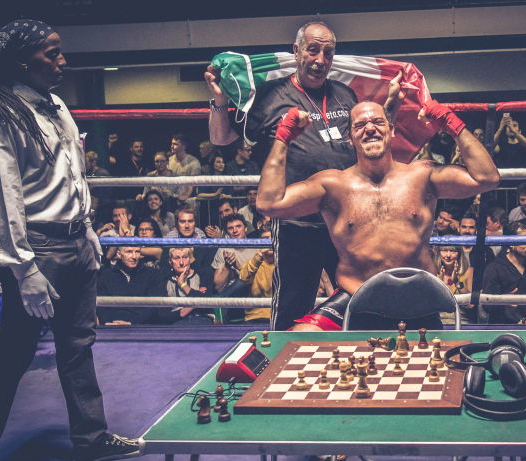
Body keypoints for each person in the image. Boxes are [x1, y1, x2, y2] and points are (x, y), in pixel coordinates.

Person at [0, 19, 138, 460]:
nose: (62, 61)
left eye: (60, 51)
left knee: (79, 345)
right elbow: (3, 200)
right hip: (38, 249)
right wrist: (24, 270)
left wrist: (88, 229)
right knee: (13, 355)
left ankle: (91, 439)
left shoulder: (57, 104)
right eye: (51, 53)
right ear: (22, 61)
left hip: (76, 239)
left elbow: (72, 175)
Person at [205, 20, 402, 331]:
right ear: (296, 52)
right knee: (293, 305)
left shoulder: (344, 93)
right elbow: (222, 138)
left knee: (360, 296)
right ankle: (282, 370)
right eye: (313, 50)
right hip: (297, 222)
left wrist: (389, 112)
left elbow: (365, 139)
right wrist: (218, 98)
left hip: (347, 219)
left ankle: (360, 363)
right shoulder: (270, 96)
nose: (320, 60)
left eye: (328, 53)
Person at [256, 99, 499, 331]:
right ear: (350, 138)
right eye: (360, 125)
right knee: (300, 341)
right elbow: (269, 203)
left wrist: (452, 124)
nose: (370, 128)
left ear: (392, 131)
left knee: (430, 366)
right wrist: (283, 139)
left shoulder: (421, 176)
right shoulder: (333, 185)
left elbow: (486, 178)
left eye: (378, 122)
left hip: (416, 299)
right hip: (355, 298)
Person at [482, 220, 526, 324]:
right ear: (510, 244)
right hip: (503, 327)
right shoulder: (494, 268)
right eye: (524, 241)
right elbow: (487, 305)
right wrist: (501, 301)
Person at [97, 246, 167, 325]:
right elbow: (100, 305)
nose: (134, 257)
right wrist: (107, 322)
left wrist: (132, 322)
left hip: (142, 328)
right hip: (111, 326)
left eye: (137, 252)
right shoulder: (105, 275)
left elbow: (155, 306)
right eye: (129, 252)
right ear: (119, 254)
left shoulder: (153, 274)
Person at [165, 246, 213, 324]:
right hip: (177, 323)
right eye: (176, 258)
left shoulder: (202, 275)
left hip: (201, 319)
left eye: (185, 257)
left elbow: (207, 304)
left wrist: (182, 284)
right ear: (170, 262)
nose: (181, 262)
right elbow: (163, 315)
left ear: (190, 259)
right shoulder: (165, 281)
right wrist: (196, 301)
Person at [238, 229, 275, 323]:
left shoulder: (286, 264)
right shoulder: (253, 263)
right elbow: (243, 278)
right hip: (256, 317)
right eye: (266, 239)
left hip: (281, 316)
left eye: (273, 238)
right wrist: (259, 254)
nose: (270, 242)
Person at [491, 113, 526, 186]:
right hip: (504, 184)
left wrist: (513, 130)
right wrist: (500, 128)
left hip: (521, 183)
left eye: (515, 126)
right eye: (508, 127)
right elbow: (490, 147)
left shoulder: (523, 145)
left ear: (520, 131)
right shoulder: (501, 146)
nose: (511, 128)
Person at [168, 133, 201, 210]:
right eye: (171, 144)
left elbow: (193, 183)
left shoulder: (194, 162)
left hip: (187, 202)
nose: (172, 146)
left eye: (175, 144)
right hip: (171, 200)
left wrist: (185, 196)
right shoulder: (168, 161)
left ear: (183, 146)